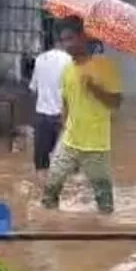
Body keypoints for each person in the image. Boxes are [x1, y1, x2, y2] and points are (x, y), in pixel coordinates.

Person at [41, 19, 122, 215]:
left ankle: (104, 231)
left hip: (95, 145)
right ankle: (48, 224)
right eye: (63, 40)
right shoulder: (68, 69)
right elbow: (67, 103)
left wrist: (95, 88)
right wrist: (63, 131)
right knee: (51, 187)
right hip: (70, 141)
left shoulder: (104, 67)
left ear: (83, 38)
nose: (67, 45)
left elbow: (116, 103)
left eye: (70, 38)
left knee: (104, 200)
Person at [28, 39, 72, 187]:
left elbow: (33, 88)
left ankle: (43, 193)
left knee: (41, 162)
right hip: (62, 117)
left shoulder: (40, 59)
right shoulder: (70, 61)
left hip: (41, 116)